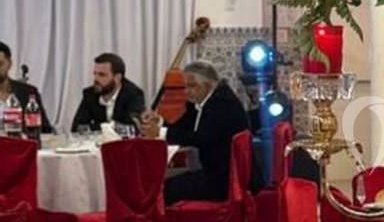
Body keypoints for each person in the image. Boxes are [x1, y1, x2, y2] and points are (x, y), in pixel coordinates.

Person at [138, 60, 249, 205]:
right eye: (186, 86)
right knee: (160, 183)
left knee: (164, 189)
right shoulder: (200, 100)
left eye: (192, 86)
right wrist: (159, 122)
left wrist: (160, 132)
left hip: (226, 178)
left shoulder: (222, 103)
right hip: (214, 171)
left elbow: (202, 139)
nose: (187, 91)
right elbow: (184, 127)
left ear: (208, 85)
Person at [70, 53, 147, 132]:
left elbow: (135, 129)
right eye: (95, 73)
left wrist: (97, 127)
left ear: (117, 78)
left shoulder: (133, 94)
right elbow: (77, 128)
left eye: (101, 75)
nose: (96, 79)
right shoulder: (90, 94)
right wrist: (108, 127)